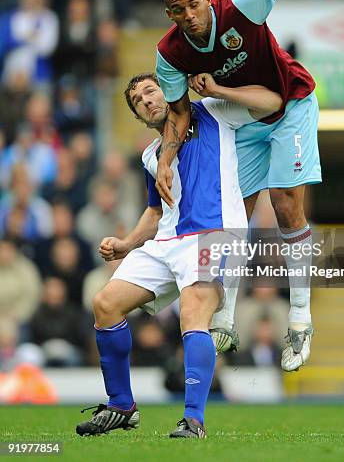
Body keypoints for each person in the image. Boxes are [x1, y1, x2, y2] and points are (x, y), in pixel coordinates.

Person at [155, 0, 344, 372]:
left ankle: (300, 318)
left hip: (291, 102)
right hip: (245, 117)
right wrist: (166, 159)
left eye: (194, 5)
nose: (190, 16)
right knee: (233, 212)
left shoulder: (240, 3)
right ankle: (227, 317)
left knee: (286, 205)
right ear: (171, 15)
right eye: (179, 12)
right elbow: (178, 115)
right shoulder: (170, 53)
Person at [75, 71, 282, 439]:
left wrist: (217, 88)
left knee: (192, 313)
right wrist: (126, 244)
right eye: (138, 101)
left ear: (168, 90)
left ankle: (193, 420)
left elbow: (273, 101)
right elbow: (156, 213)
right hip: (167, 243)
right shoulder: (151, 155)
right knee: (105, 304)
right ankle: (122, 405)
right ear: (139, 117)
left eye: (151, 91)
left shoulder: (213, 112)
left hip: (215, 234)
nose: (147, 100)